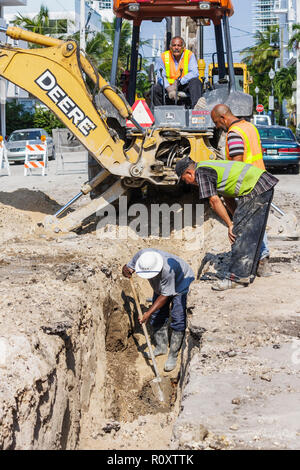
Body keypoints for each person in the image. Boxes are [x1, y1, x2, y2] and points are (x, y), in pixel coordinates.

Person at [175, 157, 278, 291]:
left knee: (239, 234)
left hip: (255, 187)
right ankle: (257, 268)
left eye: (184, 179)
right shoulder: (208, 168)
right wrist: (236, 220)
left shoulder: (202, 173)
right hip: (262, 184)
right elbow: (227, 196)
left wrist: (230, 225)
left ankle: (238, 278)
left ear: (189, 173)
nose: (187, 183)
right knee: (251, 230)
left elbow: (214, 201)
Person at [211, 104, 271, 277]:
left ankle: (259, 258)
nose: (216, 126)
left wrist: (230, 187)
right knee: (257, 220)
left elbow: (237, 165)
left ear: (223, 118)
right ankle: (261, 259)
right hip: (260, 177)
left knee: (250, 223)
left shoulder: (234, 133)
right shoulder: (249, 127)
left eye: (216, 122)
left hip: (248, 183)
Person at [122, 249, 195, 371]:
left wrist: (148, 313)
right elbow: (127, 267)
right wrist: (126, 270)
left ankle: (173, 355)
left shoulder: (167, 270)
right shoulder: (142, 256)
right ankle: (161, 347)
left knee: (178, 318)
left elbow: (165, 296)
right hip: (161, 287)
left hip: (182, 282)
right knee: (157, 316)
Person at [153, 36, 202, 109]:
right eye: (174, 45)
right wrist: (169, 88)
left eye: (179, 45)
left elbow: (194, 73)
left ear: (183, 47)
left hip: (183, 85)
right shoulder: (164, 56)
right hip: (168, 86)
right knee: (155, 89)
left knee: (196, 82)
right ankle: (159, 112)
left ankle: (196, 109)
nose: (176, 48)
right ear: (170, 47)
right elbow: (160, 76)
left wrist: (178, 82)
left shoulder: (189, 55)